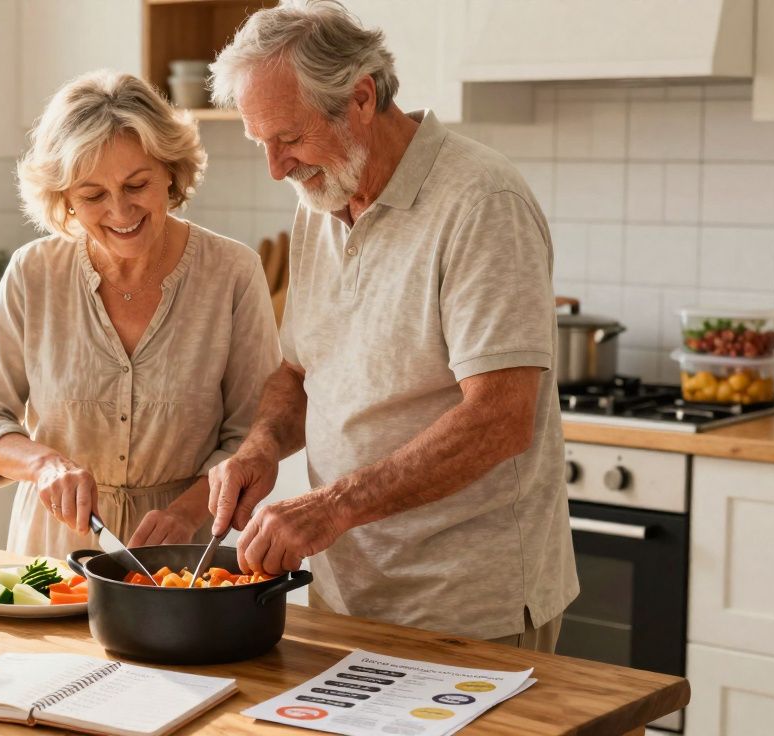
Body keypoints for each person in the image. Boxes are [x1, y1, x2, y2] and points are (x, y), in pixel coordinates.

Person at [204, 0, 578, 651]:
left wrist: (332, 507)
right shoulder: (318, 203)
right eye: (259, 143)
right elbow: (299, 370)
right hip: (346, 596)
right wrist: (262, 443)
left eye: (288, 138)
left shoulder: (481, 201)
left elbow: (500, 417)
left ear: (361, 98)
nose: (276, 167)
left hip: (469, 609)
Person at [0, 70, 281, 560]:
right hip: (51, 556)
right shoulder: (34, 272)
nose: (120, 211)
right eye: (92, 195)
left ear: (170, 171)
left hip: (176, 557)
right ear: (64, 198)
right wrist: (42, 464)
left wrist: (188, 512)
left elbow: (251, 435)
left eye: (136, 184)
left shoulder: (232, 272)